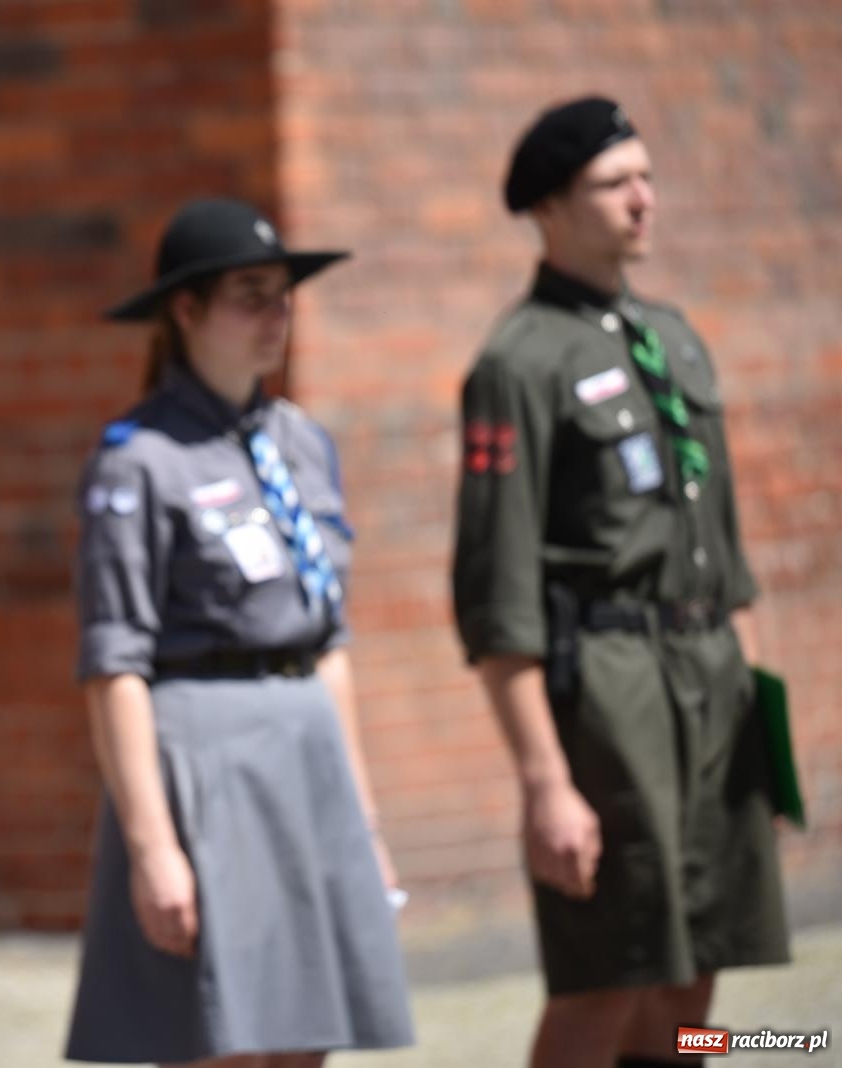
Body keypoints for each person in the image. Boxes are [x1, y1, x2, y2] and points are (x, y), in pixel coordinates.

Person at [451, 97, 790, 1068]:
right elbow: (496, 592)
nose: (643, 200)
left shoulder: (674, 338)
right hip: (609, 690)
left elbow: (726, 562)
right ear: (549, 208)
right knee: (609, 977)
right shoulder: (519, 364)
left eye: (645, 177)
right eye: (613, 183)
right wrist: (544, 783)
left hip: (709, 677)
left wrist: (755, 724)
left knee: (696, 980)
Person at [64, 198, 414, 1067]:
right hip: (207, 762)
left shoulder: (300, 442)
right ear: (186, 312)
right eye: (249, 296)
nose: (276, 316)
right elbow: (114, 668)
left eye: (284, 295)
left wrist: (364, 823)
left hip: (307, 752)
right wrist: (154, 850)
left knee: (307, 1041)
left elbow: (328, 642)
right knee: (216, 1039)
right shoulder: (138, 459)